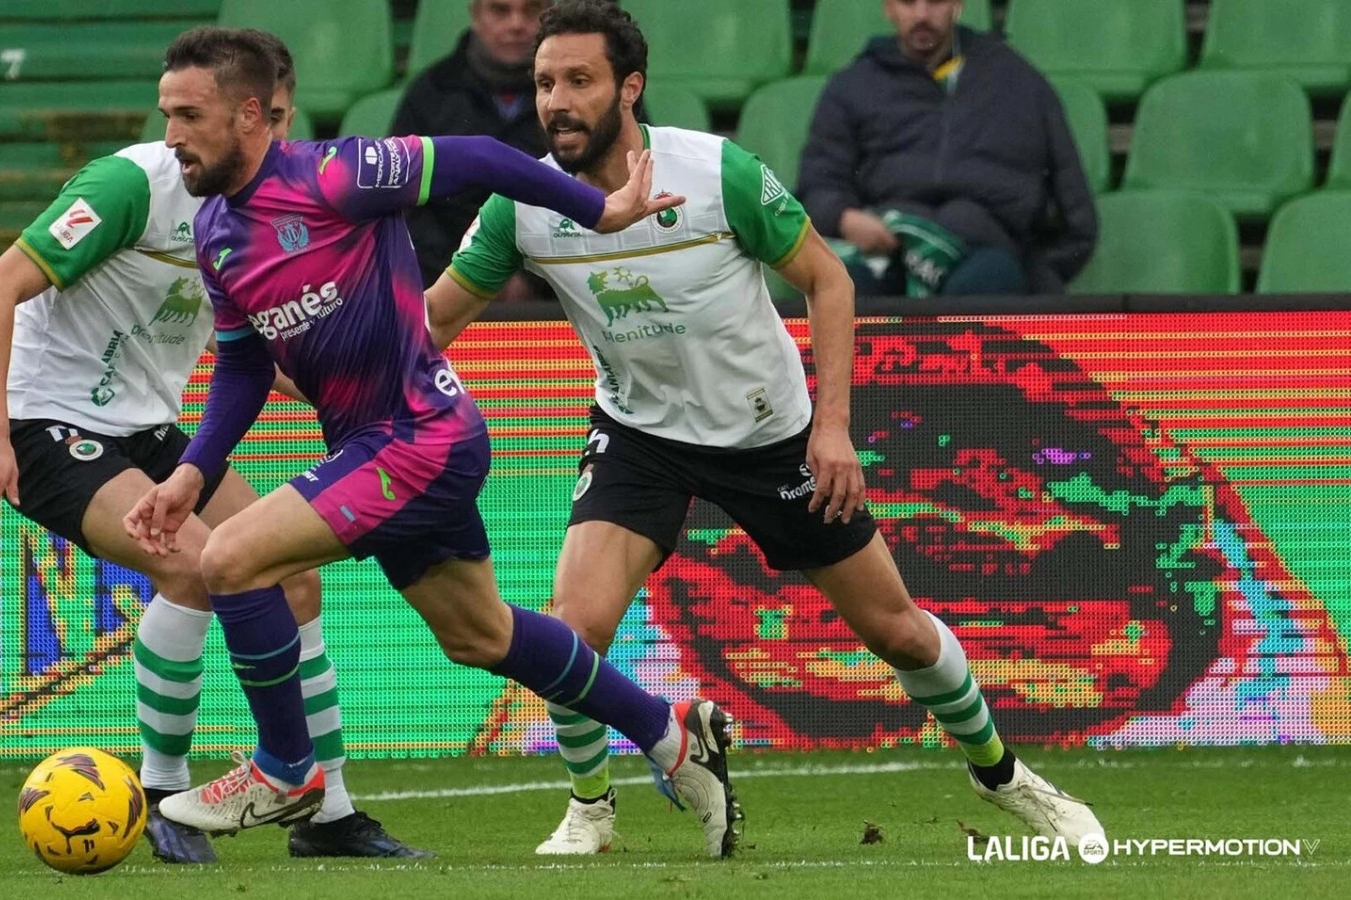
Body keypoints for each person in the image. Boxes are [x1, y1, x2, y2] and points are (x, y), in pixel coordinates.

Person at [425, 0, 1105, 855]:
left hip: (770, 437)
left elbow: (829, 280)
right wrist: (332, 356)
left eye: (579, 81)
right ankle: (591, 808)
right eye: (544, 83)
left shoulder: (716, 174)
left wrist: (833, 428)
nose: (556, 101)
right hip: (640, 434)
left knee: (895, 631)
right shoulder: (521, 204)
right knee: (574, 628)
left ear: (629, 88)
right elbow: (433, 322)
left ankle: (1003, 775)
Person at [124, 25, 741, 860]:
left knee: (230, 559)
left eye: (189, 116)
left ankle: (288, 769)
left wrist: (600, 212)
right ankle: (671, 735)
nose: (171, 135)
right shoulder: (215, 234)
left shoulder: (335, 176)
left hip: (420, 437)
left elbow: (481, 156)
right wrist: (191, 476)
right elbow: (240, 366)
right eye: (166, 114)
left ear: (248, 115)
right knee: (481, 635)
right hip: (378, 449)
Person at [0, 31, 429, 862]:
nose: (181, 133)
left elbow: (251, 345)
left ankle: (329, 814)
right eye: (173, 115)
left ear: (273, 114)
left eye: (280, 118)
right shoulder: (131, 186)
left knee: (295, 575)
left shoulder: (258, 209)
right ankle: (163, 792)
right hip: (45, 424)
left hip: (146, 425)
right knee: (196, 567)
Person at [795, 0, 1096, 297]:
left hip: (985, 252)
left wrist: (1041, 276)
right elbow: (818, 184)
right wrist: (844, 218)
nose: (922, 14)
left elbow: (1075, 214)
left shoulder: (1019, 82)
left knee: (987, 282)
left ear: (957, 4)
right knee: (844, 289)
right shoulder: (852, 86)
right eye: (908, 2)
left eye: (936, 1)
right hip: (887, 248)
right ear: (889, 8)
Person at [392, 0, 549, 288]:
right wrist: (466, 275)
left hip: (557, 289)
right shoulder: (430, 92)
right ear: (476, 15)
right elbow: (401, 199)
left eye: (531, 10)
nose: (516, 24)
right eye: (500, 10)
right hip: (441, 282)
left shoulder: (581, 95)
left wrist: (534, 279)